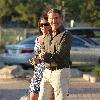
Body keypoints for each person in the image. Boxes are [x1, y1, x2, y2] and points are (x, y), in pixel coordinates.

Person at [38, 8, 72, 100]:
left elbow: (59, 55)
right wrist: (40, 56)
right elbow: (43, 52)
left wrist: (44, 55)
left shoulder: (66, 34)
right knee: (41, 98)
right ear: (48, 20)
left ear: (61, 19)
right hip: (47, 71)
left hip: (60, 72)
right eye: (51, 18)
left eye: (56, 18)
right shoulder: (47, 35)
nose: (54, 21)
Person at [29, 16, 54, 100]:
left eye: (46, 24)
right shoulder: (37, 39)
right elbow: (37, 55)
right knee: (33, 97)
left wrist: (40, 59)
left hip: (49, 72)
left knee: (50, 98)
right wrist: (34, 61)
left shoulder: (53, 38)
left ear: (50, 25)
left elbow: (53, 56)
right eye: (41, 24)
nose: (43, 27)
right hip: (38, 73)